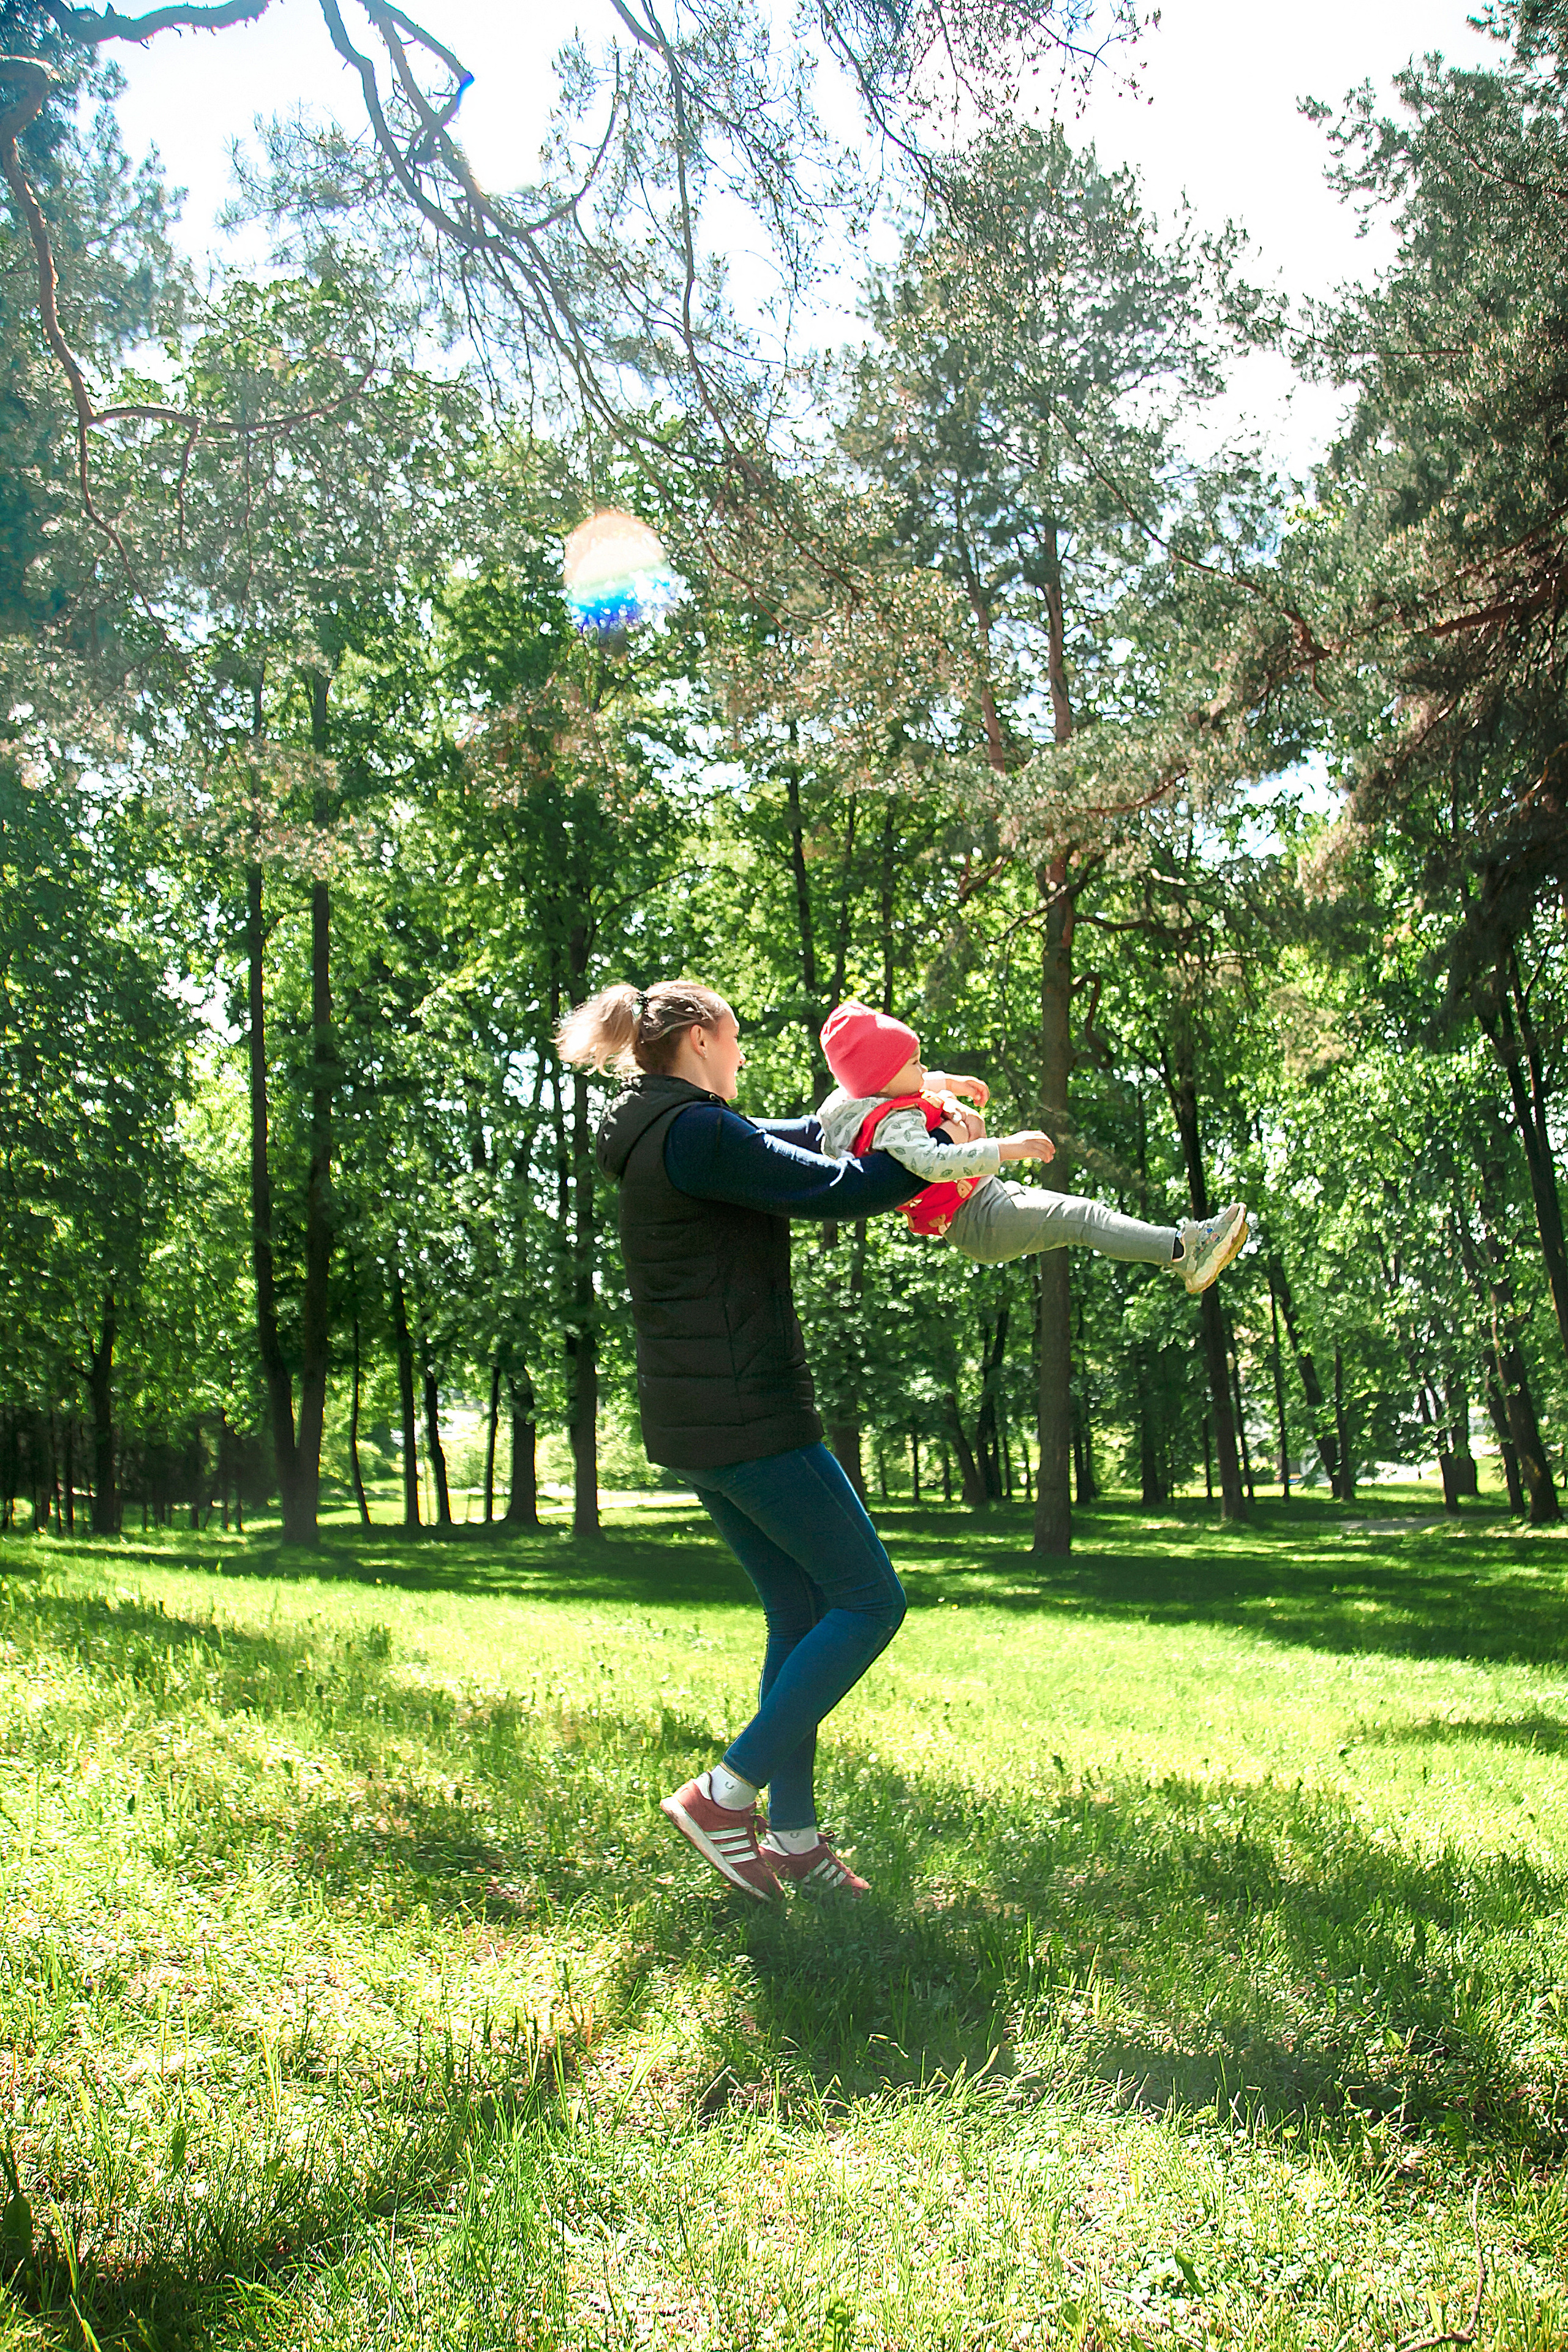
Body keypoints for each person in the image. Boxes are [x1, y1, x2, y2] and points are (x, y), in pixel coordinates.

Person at [562, 978, 941, 1904]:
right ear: (698, 1039)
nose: (741, 1056)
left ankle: (798, 1841)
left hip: (700, 1422)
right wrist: (937, 1161)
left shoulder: (666, 1126)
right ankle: (724, 1794)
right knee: (870, 1602)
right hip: (748, 1414)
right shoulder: (695, 1132)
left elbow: (805, 1135)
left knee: (800, 1612)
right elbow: (837, 1186)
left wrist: (909, 1104)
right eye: (734, 1039)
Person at [816, 999, 1250, 1294]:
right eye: (915, 1062)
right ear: (884, 1077)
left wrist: (952, 1084)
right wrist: (1006, 1148)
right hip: (979, 1220)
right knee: (1082, 1219)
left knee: (1084, 1216)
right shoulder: (896, 1124)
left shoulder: (864, 1098)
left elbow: (903, 1082)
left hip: (987, 1198)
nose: (924, 1067)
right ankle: (1185, 1251)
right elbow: (933, 1163)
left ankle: (1184, 1248)